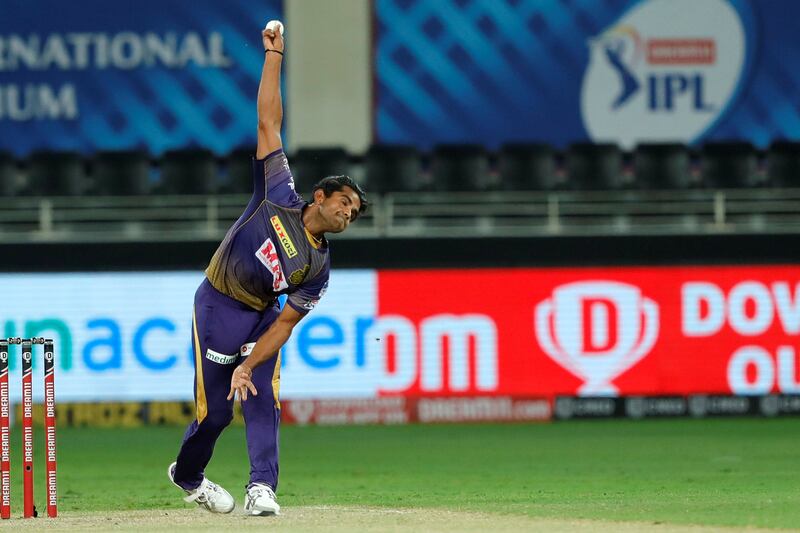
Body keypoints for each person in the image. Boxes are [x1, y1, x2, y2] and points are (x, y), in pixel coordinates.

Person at [167, 21, 367, 516]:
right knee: (215, 415)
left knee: (261, 398)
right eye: (344, 203)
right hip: (217, 303)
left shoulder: (318, 266)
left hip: (262, 315)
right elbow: (268, 124)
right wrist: (274, 56)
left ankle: (262, 487)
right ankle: (188, 475)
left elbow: (284, 323)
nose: (347, 214)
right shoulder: (276, 192)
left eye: (355, 213)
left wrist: (251, 363)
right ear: (320, 196)